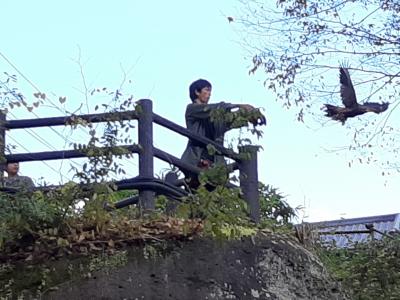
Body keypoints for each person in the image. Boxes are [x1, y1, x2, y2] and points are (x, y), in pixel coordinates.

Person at [181, 79, 266, 188]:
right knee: (194, 192)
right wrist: (239, 105)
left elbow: (227, 120)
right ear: (197, 92)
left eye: (210, 91)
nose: (209, 94)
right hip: (196, 160)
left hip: (215, 164)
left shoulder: (215, 117)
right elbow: (212, 109)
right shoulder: (192, 109)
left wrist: (249, 115)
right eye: (207, 90)